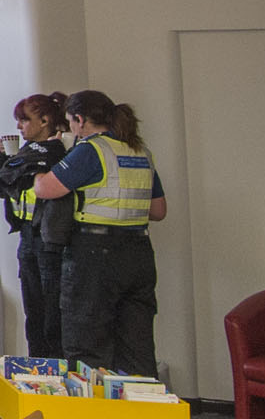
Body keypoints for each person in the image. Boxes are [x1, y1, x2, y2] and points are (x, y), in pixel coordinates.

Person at [34, 89, 166, 375]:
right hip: (139, 255)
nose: (71, 128)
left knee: (87, 345)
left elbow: (47, 189)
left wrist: (38, 172)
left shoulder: (91, 150)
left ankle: (90, 417)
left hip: (94, 256)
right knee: (137, 347)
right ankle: (139, 415)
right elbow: (158, 211)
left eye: (70, 121)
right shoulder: (141, 151)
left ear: (80, 120)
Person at [0, 92, 74, 358]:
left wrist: (15, 164)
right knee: (34, 312)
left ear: (46, 120)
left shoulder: (62, 149)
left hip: (50, 239)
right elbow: (1, 185)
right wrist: (1, 157)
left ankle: (54, 374)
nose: (19, 127)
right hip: (27, 236)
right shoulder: (26, 153)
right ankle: (37, 370)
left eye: (24, 120)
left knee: (52, 315)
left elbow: (12, 178)